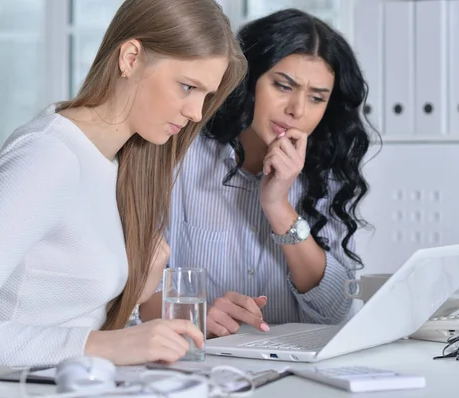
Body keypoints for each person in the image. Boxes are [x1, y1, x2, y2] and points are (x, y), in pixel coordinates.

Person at [0, 0, 246, 395]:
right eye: (188, 87)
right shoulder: (48, 156)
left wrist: (136, 296)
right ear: (130, 58)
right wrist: (106, 345)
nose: (196, 112)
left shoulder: (116, 163)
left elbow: (65, 315)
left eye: (205, 95)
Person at [141, 9, 373, 338]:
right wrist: (193, 315)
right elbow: (133, 296)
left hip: (295, 370)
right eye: (282, 86)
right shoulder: (179, 158)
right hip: (203, 365)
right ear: (247, 80)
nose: (298, 110)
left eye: (317, 98)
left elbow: (336, 310)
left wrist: (279, 205)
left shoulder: (326, 170)